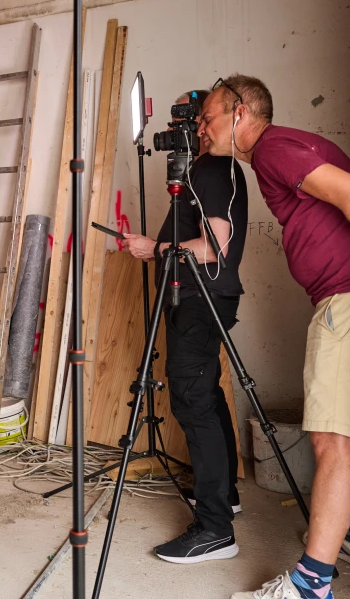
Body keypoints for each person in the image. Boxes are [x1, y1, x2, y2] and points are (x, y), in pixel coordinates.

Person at [195, 77, 350, 599]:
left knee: (332, 440)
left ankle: (311, 584)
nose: (201, 127)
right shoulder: (288, 147)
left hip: (349, 299)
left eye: (208, 117)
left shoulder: (273, 148)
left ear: (240, 113)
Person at [121, 92, 249, 564]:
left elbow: (215, 246)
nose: (182, 133)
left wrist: (152, 249)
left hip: (199, 298)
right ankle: (225, 495)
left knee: (193, 402)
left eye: (188, 122)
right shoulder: (207, 170)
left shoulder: (212, 168)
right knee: (206, 396)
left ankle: (215, 530)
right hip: (197, 297)